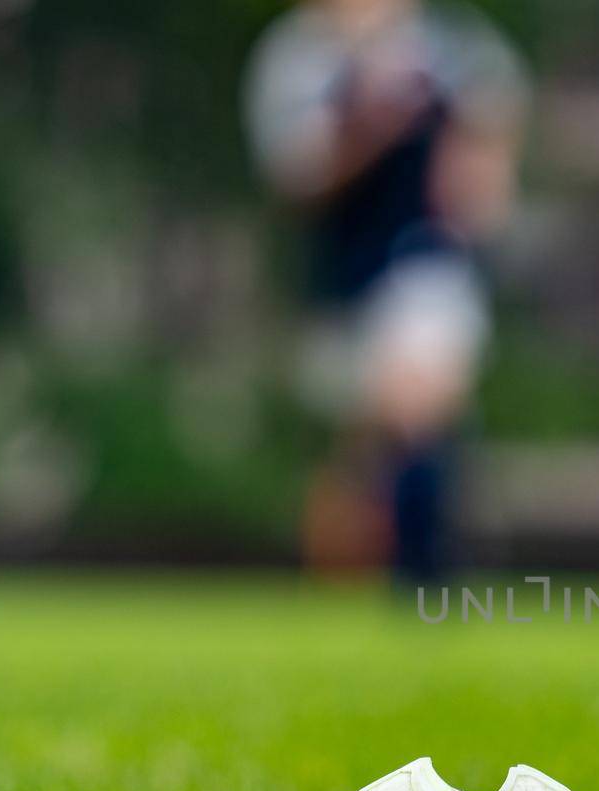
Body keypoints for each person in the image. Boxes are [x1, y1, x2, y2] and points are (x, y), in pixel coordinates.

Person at [245, 0, 526, 583]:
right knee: (370, 444)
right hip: (343, 275)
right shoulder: (298, 57)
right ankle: (372, 565)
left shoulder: (450, 46)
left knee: (419, 402)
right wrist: (369, 128)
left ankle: (427, 579)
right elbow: (297, 177)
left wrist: (477, 185)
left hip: (425, 259)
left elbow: (494, 121)